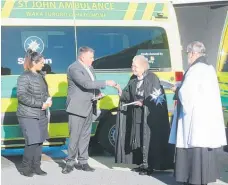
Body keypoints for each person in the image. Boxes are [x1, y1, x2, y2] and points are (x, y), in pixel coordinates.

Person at [169, 41, 227, 185]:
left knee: (193, 147)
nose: (188, 56)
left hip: (194, 119)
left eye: (188, 53)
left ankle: (191, 178)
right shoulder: (209, 68)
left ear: (194, 53)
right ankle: (202, 178)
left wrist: (176, 89)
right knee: (202, 149)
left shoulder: (195, 70)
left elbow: (187, 94)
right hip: (205, 119)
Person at [115, 55, 174, 175]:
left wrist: (143, 102)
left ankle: (148, 165)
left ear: (142, 67)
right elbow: (128, 95)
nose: (133, 68)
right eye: (132, 65)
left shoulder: (152, 78)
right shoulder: (133, 78)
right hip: (136, 115)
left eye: (135, 66)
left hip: (148, 117)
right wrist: (120, 92)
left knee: (147, 140)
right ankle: (141, 163)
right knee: (138, 140)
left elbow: (157, 98)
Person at [62, 46, 117, 174]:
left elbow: (92, 84)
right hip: (77, 108)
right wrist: (106, 82)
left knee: (85, 136)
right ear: (82, 57)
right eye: (91, 57)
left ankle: (83, 162)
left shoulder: (90, 68)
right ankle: (70, 162)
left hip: (89, 106)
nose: (93, 59)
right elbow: (85, 84)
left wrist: (97, 94)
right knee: (74, 136)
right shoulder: (74, 68)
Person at [16, 49, 52, 177]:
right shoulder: (24, 77)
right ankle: (25, 168)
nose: (43, 64)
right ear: (34, 62)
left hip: (41, 114)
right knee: (32, 141)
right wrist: (40, 104)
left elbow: (44, 93)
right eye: (41, 62)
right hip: (27, 114)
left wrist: (48, 100)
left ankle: (37, 167)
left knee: (39, 141)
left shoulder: (41, 75)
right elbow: (21, 96)